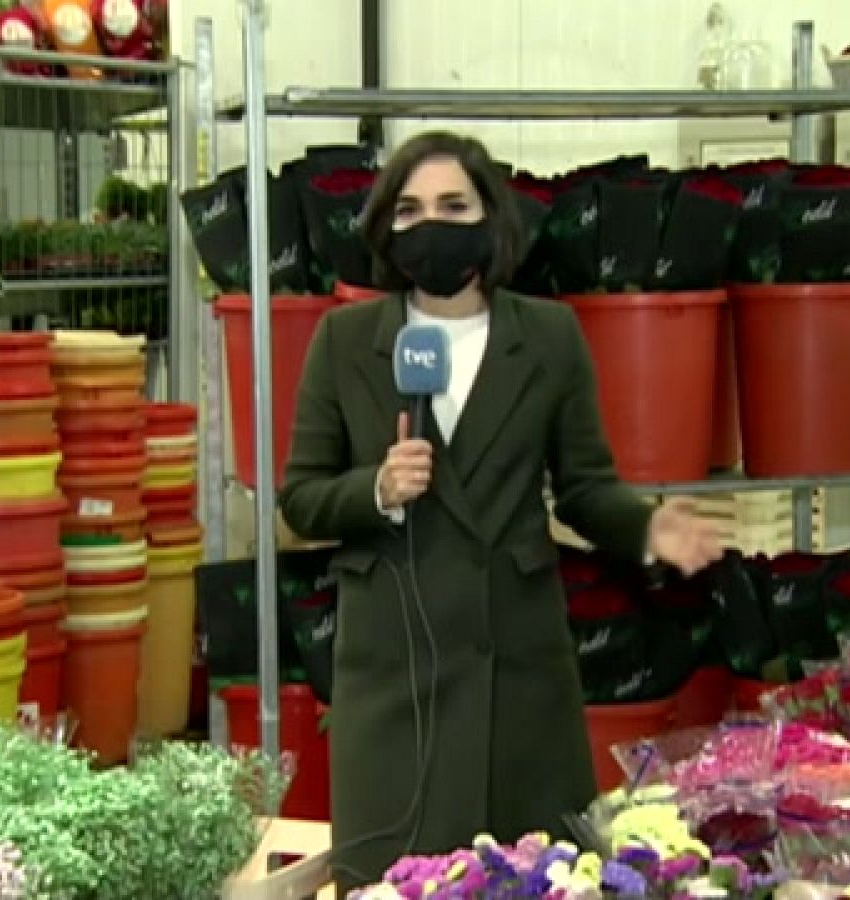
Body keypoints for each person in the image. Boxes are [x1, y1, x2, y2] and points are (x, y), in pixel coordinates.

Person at [277, 130, 724, 891]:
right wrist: (376, 490)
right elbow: (300, 497)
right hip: (395, 674)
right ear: (387, 229)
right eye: (412, 210)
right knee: (398, 880)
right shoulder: (345, 340)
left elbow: (583, 487)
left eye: (454, 205)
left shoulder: (547, 337)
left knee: (536, 874)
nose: (434, 224)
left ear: (491, 217)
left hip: (517, 669)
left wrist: (645, 525)